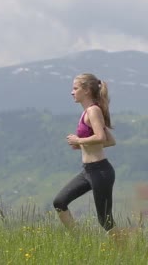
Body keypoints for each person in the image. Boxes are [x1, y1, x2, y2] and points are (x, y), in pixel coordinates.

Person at [53, 73, 117, 233]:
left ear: (87, 90)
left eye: (75, 88)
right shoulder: (87, 112)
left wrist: (79, 141)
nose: (72, 92)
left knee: (105, 220)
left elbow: (101, 137)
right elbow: (109, 141)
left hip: (100, 171)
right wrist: (82, 145)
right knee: (60, 202)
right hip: (88, 171)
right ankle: (79, 240)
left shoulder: (93, 111)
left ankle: (127, 252)